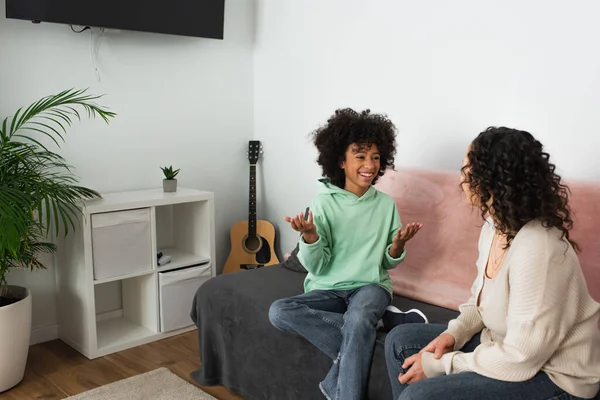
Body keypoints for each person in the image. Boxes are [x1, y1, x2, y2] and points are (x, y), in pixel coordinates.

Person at [385, 126, 600, 400]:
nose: (461, 178)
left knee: (420, 396)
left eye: (467, 170)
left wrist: (444, 364)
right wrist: (455, 335)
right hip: (504, 344)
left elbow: (522, 357)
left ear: (491, 181)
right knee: (399, 342)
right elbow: (479, 302)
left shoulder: (539, 247)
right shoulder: (494, 227)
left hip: (555, 376)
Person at [268, 108, 426, 400]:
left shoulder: (385, 205)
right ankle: (374, 325)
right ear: (340, 161)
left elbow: (386, 261)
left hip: (371, 286)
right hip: (328, 288)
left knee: (358, 318)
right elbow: (317, 265)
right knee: (279, 311)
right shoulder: (323, 203)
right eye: (360, 156)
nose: (370, 165)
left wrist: (398, 245)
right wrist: (311, 238)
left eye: (376, 157)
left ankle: (344, 389)